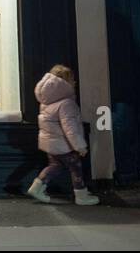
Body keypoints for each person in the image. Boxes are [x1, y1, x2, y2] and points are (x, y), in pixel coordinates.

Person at [26, 64, 99, 205]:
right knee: (76, 168)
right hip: (65, 146)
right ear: (63, 83)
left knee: (54, 166)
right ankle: (81, 196)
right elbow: (70, 129)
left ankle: (36, 188)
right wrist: (79, 146)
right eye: (72, 80)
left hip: (51, 145)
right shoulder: (66, 103)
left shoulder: (47, 101)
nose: (75, 82)